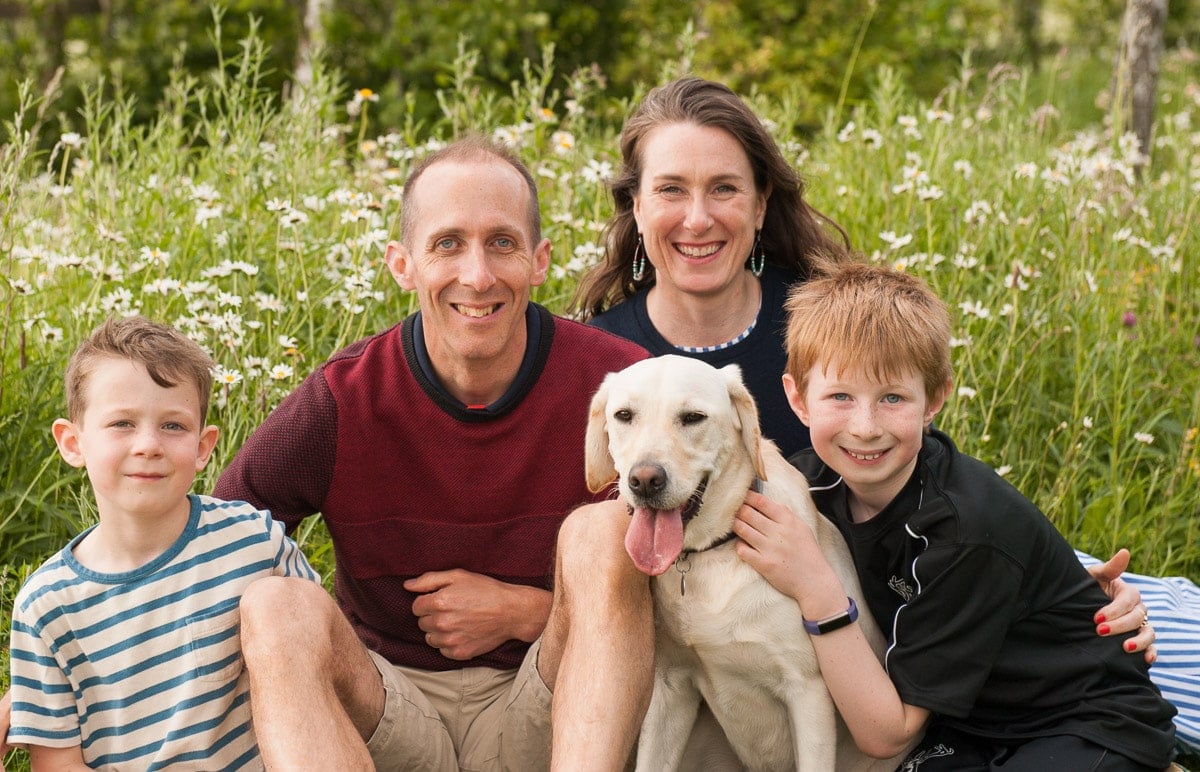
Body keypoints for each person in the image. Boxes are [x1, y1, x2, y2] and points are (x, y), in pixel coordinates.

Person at [207, 135, 651, 770]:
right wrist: (58, 678)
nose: (477, 275)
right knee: (275, 605)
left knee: (606, 531)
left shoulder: (618, 386)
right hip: (387, 711)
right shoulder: (345, 396)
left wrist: (534, 613)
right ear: (402, 263)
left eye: (502, 242)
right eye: (447, 244)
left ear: (540, 260)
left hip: (555, 706)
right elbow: (215, 535)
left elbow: (700, 564)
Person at [731, 261, 1176, 766]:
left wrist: (816, 588)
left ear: (935, 399)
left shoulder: (961, 529)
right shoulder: (804, 482)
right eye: (839, 396)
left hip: (1081, 719)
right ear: (798, 399)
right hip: (962, 721)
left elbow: (888, 736)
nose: (865, 426)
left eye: (893, 397)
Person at [5, 316, 319, 770]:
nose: (149, 445)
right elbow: (59, 765)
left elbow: (321, 674)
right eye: (122, 423)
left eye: (173, 426)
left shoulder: (254, 541)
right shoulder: (46, 605)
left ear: (203, 446)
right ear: (73, 443)